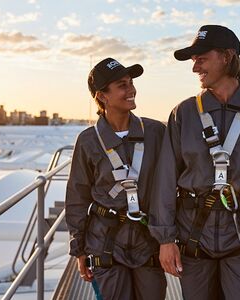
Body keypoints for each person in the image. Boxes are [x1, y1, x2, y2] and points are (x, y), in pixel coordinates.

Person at [149, 24, 240, 300]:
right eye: (193, 61)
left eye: (201, 59)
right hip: (194, 239)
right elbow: (165, 180)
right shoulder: (183, 113)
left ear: (227, 56)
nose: (195, 68)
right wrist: (165, 240)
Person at [65, 57, 167, 299]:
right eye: (122, 85)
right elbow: (77, 197)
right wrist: (78, 250)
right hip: (105, 243)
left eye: (131, 82)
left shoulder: (155, 132)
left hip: (148, 241)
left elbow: (170, 185)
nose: (131, 89)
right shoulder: (88, 141)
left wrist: (168, 238)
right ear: (102, 96)